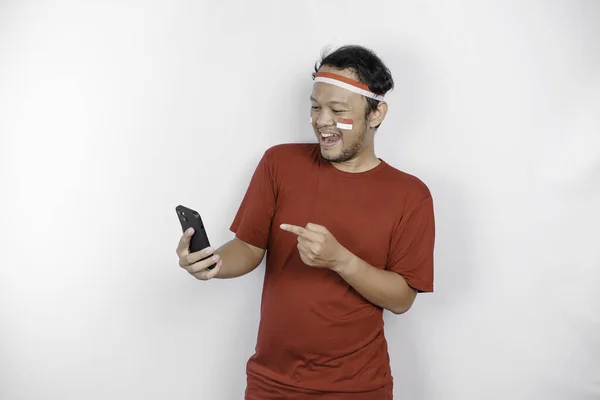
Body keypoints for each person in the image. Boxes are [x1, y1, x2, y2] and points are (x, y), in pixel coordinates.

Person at [176, 45, 435, 400]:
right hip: (271, 383)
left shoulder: (411, 195)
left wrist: (341, 260)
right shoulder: (279, 163)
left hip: (358, 389)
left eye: (338, 110)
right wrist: (213, 263)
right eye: (315, 107)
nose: (322, 120)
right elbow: (249, 248)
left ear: (376, 114)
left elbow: (402, 298)